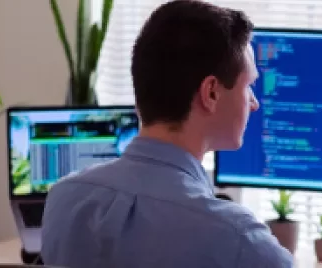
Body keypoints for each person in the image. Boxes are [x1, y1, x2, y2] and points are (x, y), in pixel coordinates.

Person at [40, 1, 293, 267]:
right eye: (248, 86)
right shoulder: (239, 240)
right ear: (211, 93)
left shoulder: (64, 199)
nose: (254, 102)